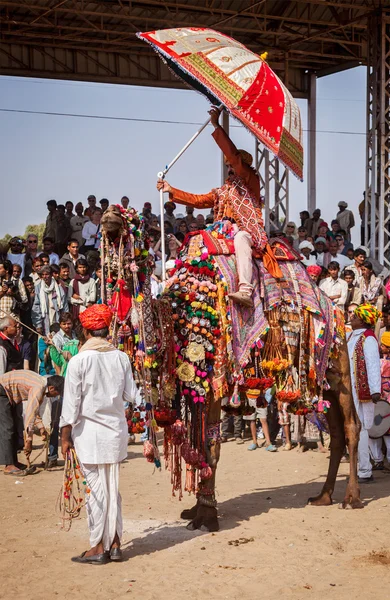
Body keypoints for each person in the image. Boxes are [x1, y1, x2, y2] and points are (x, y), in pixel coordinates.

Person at [157, 106, 270, 308]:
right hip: (220, 231)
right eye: (227, 166)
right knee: (196, 240)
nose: (230, 169)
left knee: (241, 238)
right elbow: (199, 201)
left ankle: (245, 289)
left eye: (233, 166)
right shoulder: (222, 191)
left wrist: (216, 125)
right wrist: (170, 189)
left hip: (246, 231)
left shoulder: (250, 181)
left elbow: (234, 156)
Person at [60, 304, 136, 564]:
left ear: (85, 331)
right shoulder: (121, 357)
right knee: (112, 488)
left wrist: (64, 437)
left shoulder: (79, 361)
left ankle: (98, 547)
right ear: (106, 330)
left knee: (96, 490)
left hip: (89, 435)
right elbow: (131, 395)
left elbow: (70, 405)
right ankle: (114, 542)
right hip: (114, 433)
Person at [0, 370, 64, 476]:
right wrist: (29, 440)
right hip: (2, 391)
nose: (54, 397)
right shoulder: (38, 388)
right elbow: (30, 415)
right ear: (52, 388)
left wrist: (41, 428)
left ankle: (13, 462)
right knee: (8, 428)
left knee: (15, 427)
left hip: (8, 394)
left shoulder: (41, 385)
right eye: (56, 394)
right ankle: (9, 465)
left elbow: (34, 410)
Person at [347, 304, 381, 483]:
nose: (351, 317)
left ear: (363, 320)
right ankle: (360, 468)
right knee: (353, 427)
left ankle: (365, 470)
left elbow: (373, 363)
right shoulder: (351, 336)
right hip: (351, 389)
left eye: (355, 316)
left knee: (360, 429)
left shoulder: (369, 339)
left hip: (363, 390)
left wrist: (375, 389)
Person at [369, 332, 390, 472]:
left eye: (383, 345)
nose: (381, 347)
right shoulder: (380, 361)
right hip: (379, 398)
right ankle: (377, 460)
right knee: (374, 430)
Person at [32, 266, 68, 336]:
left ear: (51, 275)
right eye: (43, 275)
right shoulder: (38, 287)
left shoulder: (59, 288)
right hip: (45, 318)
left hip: (57, 316)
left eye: (47, 274)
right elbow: (36, 306)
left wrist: (65, 322)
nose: (45, 276)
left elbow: (64, 306)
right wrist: (38, 324)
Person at [244, 387, 277, 452]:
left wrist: (265, 388)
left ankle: (268, 443)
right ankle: (254, 442)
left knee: (263, 420)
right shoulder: (247, 376)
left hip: (260, 398)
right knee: (252, 420)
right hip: (250, 397)